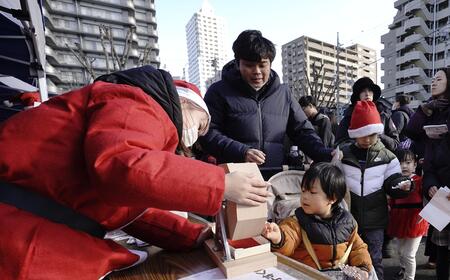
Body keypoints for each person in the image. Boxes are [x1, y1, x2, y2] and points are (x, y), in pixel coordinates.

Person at [0, 65, 270, 279]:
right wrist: (220, 183)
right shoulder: (138, 101)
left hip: (26, 224)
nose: (195, 138)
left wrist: (192, 235)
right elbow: (122, 168)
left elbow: (129, 206)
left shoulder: (138, 115)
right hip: (19, 228)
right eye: (201, 125)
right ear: (187, 103)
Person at [199, 30, 333, 171]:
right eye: (249, 65)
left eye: (262, 65)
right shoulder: (218, 92)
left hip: (276, 175)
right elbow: (207, 133)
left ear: (270, 63)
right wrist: (241, 151)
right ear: (238, 64)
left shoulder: (283, 93)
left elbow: (302, 131)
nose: (257, 71)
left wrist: (323, 153)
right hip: (236, 177)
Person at [339, 100, 412, 280]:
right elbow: (334, 180)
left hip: (376, 222)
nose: (367, 139)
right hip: (348, 218)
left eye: (372, 134)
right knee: (347, 259)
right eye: (363, 134)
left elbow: (393, 182)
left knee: (375, 259)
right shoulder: (342, 154)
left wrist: (402, 186)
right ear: (354, 134)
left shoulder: (388, 157)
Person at [262, 162, 373, 278]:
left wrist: (363, 268)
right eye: (303, 191)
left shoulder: (347, 222)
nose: (304, 196)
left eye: (312, 192)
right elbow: (289, 237)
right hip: (307, 275)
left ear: (332, 198)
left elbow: (358, 248)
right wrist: (279, 237)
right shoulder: (297, 221)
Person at [405, 68, 450, 280]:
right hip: (440, 189)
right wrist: (424, 109)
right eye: (432, 79)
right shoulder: (432, 111)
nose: (433, 83)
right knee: (441, 245)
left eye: (439, 79)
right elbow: (411, 131)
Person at [387, 149, 429, 280]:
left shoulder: (420, 181)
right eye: (400, 163)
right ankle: (403, 269)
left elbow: (427, 198)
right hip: (398, 219)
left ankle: (410, 278)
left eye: (408, 162)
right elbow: (391, 200)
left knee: (409, 254)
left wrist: (425, 214)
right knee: (400, 251)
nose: (404, 166)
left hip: (416, 220)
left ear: (415, 165)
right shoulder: (394, 181)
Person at [336, 77, 399, 152]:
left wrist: (377, 135)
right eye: (363, 91)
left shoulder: (384, 115)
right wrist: (358, 144)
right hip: (357, 161)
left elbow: (395, 144)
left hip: (381, 160)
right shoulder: (349, 116)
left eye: (370, 90)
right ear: (357, 95)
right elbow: (339, 143)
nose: (367, 94)